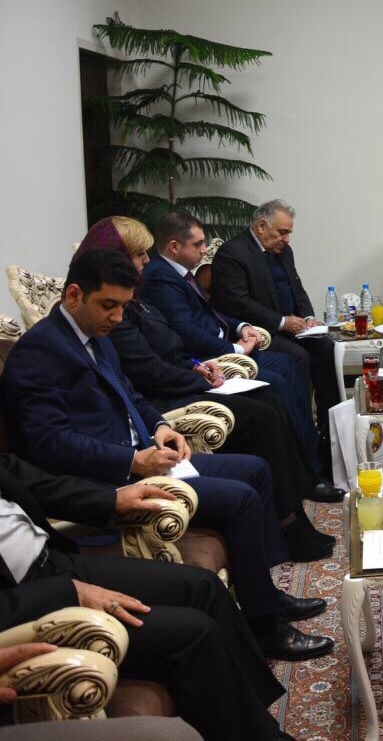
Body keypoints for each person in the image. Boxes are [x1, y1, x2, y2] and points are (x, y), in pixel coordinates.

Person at [0, 248, 334, 661]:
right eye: (108, 305)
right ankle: (265, 627)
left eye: (124, 306)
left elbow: (130, 394)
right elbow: (48, 443)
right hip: (107, 479)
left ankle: (263, 594)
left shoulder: (94, 336)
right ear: (73, 295)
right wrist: (131, 461)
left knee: (256, 470)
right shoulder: (39, 351)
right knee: (240, 498)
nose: (117, 317)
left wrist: (161, 426)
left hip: (145, 456)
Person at [75, 217, 338, 558]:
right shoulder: (118, 310)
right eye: (139, 255)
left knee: (269, 400)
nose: (146, 261)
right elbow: (148, 370)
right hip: (166, 396)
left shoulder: (132, 300)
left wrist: (196, 366)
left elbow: (169, 347)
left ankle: (294, 513)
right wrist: (200, 376)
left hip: (182, 377)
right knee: (261, 412)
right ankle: (287, 524)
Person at [0, 453, 296, 740]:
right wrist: (68, 592)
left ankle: (259, 723)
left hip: (51, 561)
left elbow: (22, 476)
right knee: (195, 633)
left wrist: (112, 499)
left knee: (203, 587)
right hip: (24, 602)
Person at [137, 211, 340, 500]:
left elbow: (213, 314)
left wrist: (241, 327)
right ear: (174, 247)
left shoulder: (180, 273)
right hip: (210, 358)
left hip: (227, 346)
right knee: (278, 381)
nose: (205, 250)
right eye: (198, 244)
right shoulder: (159, 277)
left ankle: (313, 455)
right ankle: (305, 471)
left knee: (293, 362)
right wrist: (236, 349)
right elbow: (188, 332)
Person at [210, 199, 342, 478]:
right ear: (261, 226)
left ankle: (330, 433)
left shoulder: (284, 251)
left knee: (326, 347)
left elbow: (296, 286)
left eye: (288, 233)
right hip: (260, 332)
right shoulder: (232, 254)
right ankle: (304, 441)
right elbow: (237, 303)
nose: (286, 239)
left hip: (292, 327)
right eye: (282, 232)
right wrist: (282, 322)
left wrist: (308, 317)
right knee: (299, 357)